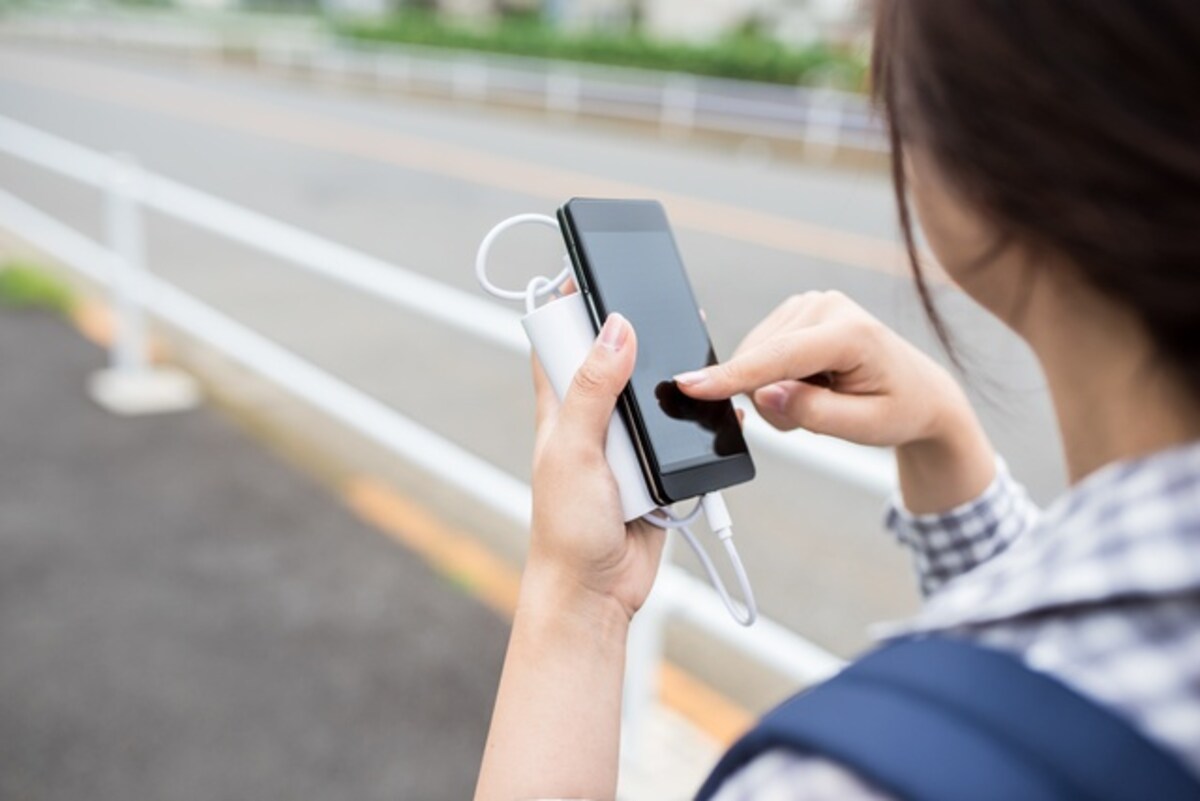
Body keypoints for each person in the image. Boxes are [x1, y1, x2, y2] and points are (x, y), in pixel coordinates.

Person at [474, 1, 1200, 798]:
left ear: (1000, 152)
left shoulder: (839, 779)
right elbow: (1063, 657)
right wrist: (943, 436)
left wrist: (581, 600)